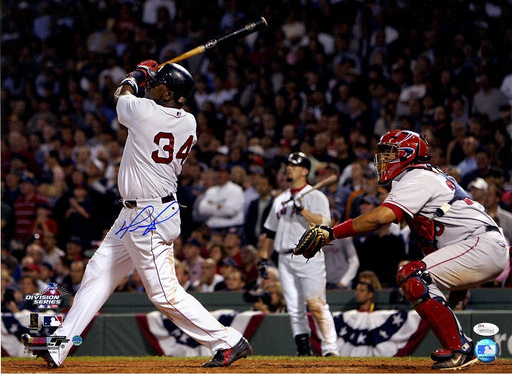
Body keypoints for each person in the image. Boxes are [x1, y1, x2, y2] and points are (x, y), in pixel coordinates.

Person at [23, 61, 251, 368]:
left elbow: (122, 95)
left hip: (149, 215)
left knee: (164, 295)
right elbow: (138, 100)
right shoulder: (189, 122)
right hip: (136, 212)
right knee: (97, 273)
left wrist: (138, 73)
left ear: (169, 92)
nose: (152, 86)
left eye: (158, 84)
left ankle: (228, 341)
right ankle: (59, 345)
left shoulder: (145, 111)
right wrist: (150, 79)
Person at [298, 129, 509, 370]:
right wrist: (458, 285)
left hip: (482, 244)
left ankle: (459, 347)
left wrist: (332, 233)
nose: (383, 160)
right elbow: (435, 243)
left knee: (412, 275)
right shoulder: (426, 176)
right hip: (479, 245)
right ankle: (458, 347)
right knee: (418, 275)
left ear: (407, 154)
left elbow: (382, 217)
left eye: (389, 153)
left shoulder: (416, 176)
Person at [260, 152, 339, 357]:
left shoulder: (315, 195)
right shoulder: (280, 199)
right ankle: (303, 351)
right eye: (288, 165)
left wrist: (303, 210)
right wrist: (263, 257)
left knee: (316, 304)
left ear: (305, 171)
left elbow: (325, 224)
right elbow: (269, 232)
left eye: (294, 165)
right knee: (294, 308)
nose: (289, 168)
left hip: (308, 255)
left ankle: (331, 349)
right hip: (283, 257)